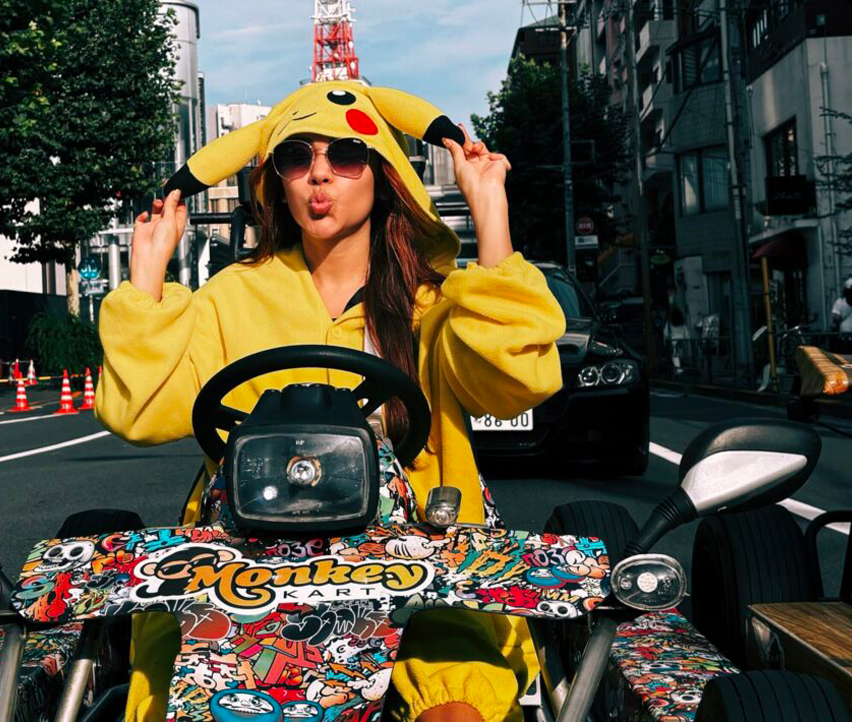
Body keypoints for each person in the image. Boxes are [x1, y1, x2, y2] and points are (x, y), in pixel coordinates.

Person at [95, 81, 567, 722]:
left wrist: (491, 215)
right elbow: (141, 413)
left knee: (456, 712)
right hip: (242, 567)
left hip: (417, 565)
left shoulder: (432, 300)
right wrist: (147, 274)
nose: (320, 174)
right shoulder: (231, 295)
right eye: (296, 157)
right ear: (277, 184)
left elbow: (517, 385)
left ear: (383, 173)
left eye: (345, 153)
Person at [664, 306, 691, 375]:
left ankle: (678, 370)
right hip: (681, 341)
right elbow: (687, 335)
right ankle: (679, 368)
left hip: (673, 341)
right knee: (679, 355)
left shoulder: (669, 323)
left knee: (674, 355)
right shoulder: (682, 324)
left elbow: (665, 333)